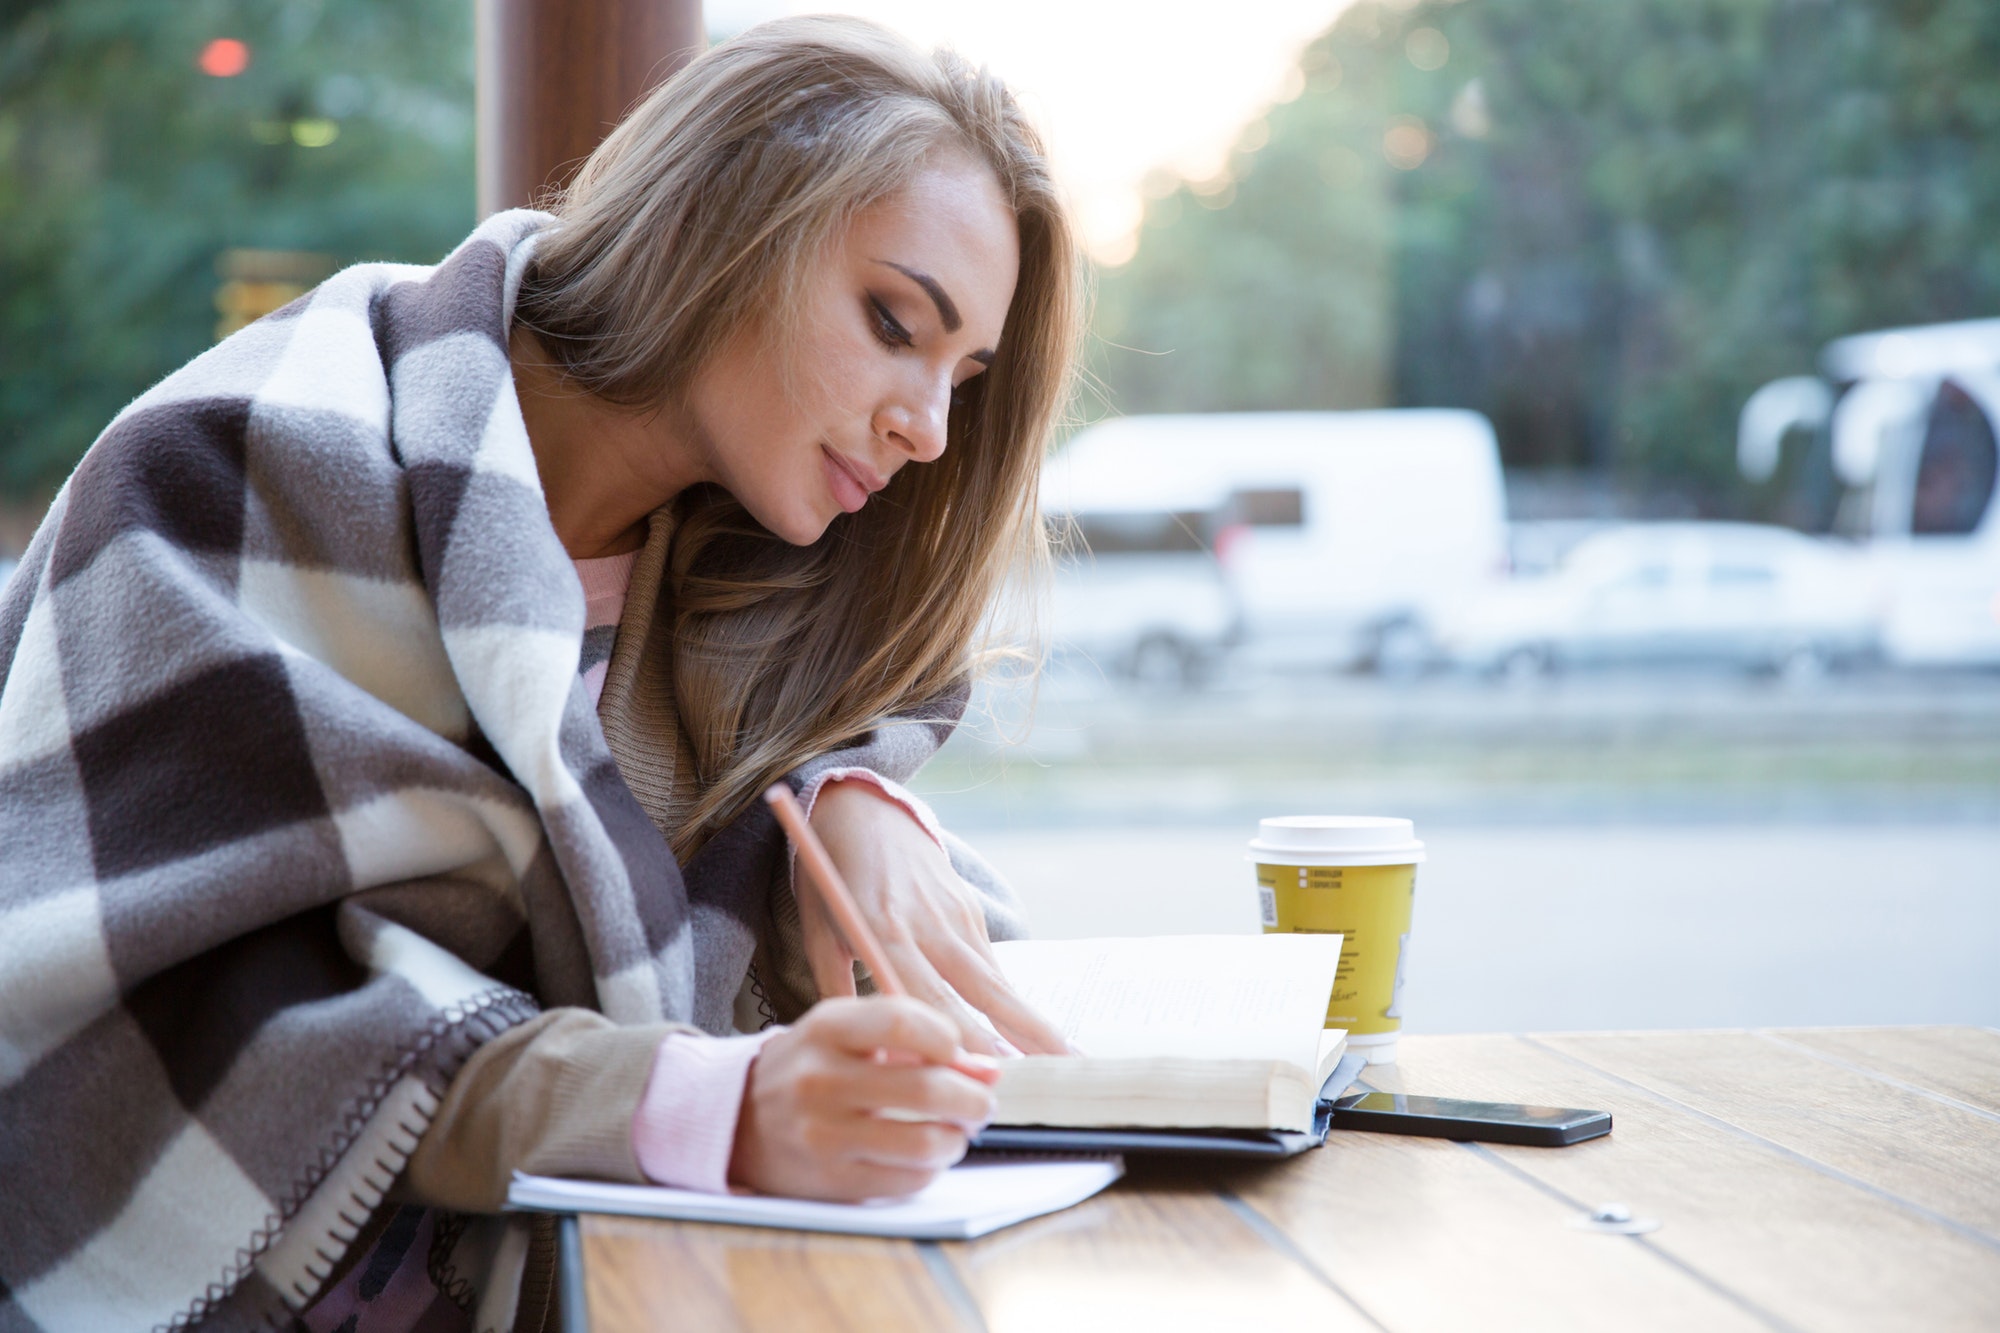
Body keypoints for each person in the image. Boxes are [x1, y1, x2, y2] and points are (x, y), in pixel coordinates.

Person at [0, 16, 1079, 1332]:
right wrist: (717, 1108)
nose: (929, 427)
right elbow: (188, 1012)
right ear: (723, 221)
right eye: (893, 320)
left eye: (965, 375)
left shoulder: (757, 627)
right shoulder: (225, 472)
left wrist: (850, 797)